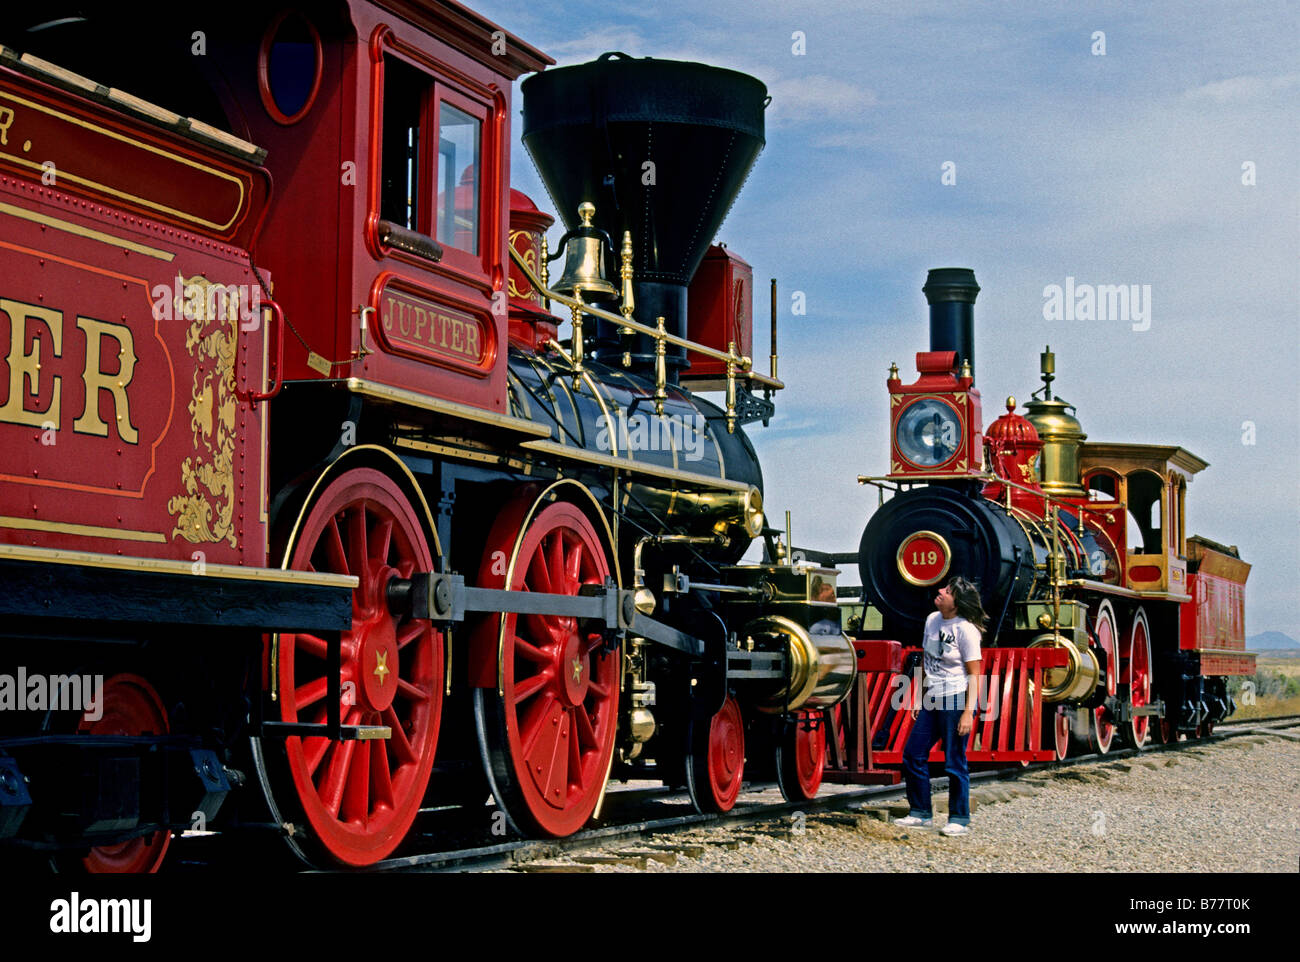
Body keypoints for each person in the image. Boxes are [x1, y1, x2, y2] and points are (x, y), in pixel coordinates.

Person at [894, 576, 986, 837]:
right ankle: (920, 813)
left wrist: (968, 712)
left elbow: (975, 674)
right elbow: (927, 660)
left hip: (957, 698)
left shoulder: (966, 630)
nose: (940, 591)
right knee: (913, 754)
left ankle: (959, 818)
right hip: (932, 698)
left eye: (947, 591)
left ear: (957, 603)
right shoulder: (932, 620)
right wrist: (918, 696)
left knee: (954, 761)